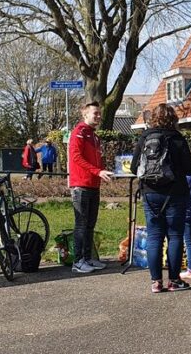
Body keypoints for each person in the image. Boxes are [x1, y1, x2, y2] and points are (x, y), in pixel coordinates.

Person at [130, 104, 191, 293]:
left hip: (150, 194)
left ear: (153, 118)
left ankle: (156, 281)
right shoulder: (177, 138)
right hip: (175, 193)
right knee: (174, 235)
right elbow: (190, 168)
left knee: (154, 236)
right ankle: (174, 280)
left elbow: (135, 167)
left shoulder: (145, 137)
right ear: (173, 119)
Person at [69, 101, 114, 273]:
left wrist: (103, 171)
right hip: (81, 185)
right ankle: (78, 261)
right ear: (85, 114)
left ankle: (88, 258)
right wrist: (97, 171)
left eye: (99, 113)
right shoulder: (79, 133)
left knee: (90, 224)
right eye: (95, 113)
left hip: (94, 185)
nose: (99, 116)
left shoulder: (95, 136)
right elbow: (76, 157)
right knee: (81, 224)